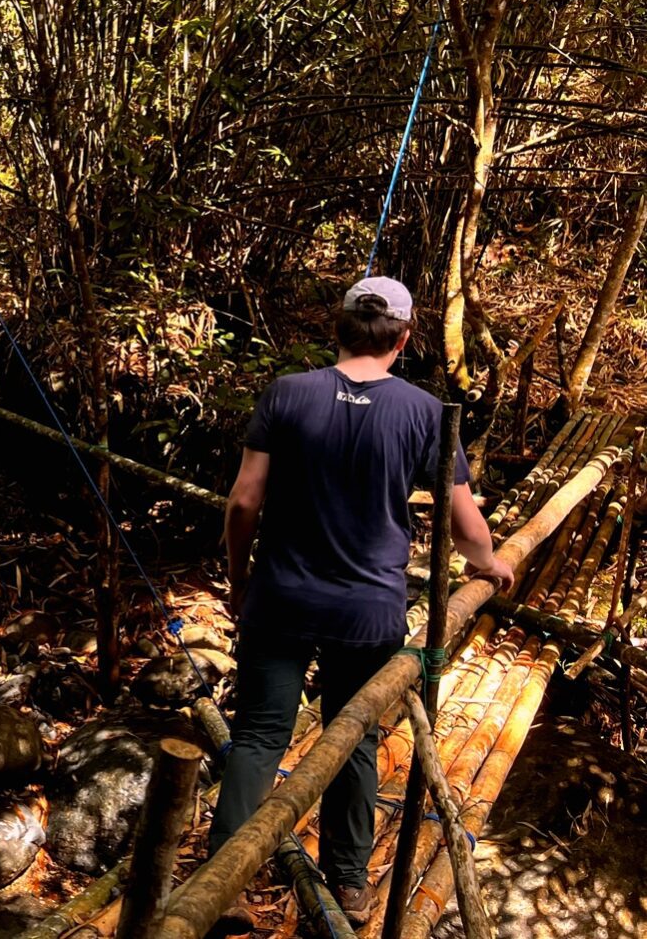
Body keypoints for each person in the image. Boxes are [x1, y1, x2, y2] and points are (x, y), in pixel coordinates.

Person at [208, 276, 514, 934]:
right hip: (369, 610)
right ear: (403, 340)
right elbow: (465, 526)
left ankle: (221, 884)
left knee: (259, 737)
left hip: (282, 597)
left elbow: (242, 502)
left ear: (338, 327)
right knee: (356, 741)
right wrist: (492, 564)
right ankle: (349, 884)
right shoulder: (427, 411)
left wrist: (240, 580)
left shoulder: (287, 392)